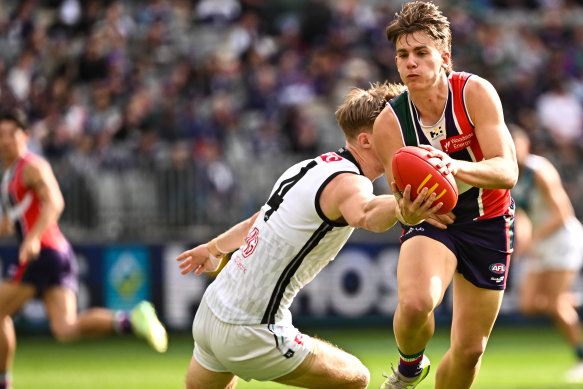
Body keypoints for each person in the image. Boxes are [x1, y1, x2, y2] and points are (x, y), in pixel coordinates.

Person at [176, 81, 449, 389]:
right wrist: (403, 207)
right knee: (356, 379)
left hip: (211, 313)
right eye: (394, 130)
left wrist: (213, 249)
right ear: (367, 140)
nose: (404, 140)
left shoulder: (310, 166)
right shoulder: (351, 182)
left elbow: (259, 219)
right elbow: (366, 213)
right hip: (252, 329)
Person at [372, 2, 518, 388]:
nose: (410, 63)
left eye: (421, 53)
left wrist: (452, 168)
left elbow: (508, 171)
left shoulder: (474, 93)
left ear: (445, 57)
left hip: (488, 220)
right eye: (403, 55)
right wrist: (412, 212)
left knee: (470, 351)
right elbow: (401, 202)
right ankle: (409, 367)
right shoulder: (391, 122)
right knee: (418, 303)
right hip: (436, 222)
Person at [0, 109, 168, 389]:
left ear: (26, 137)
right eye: (1, 135)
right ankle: (130, 319)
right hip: (58, 253)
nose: (5, 140)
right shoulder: (12, 174)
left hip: (43, 251)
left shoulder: (32, 166)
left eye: (11, 134)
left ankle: (3, 382)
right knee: (66, 329)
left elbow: (55, 202)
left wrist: (32, 238)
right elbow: (12, 220)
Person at [510, 125, 583, 383]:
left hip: (563, 239)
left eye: (516, 143)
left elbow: (562, 213)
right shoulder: (509, 176)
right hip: (541, 242)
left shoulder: (539, 170)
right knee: (528, 305)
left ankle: (581, 358)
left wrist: (533, 240)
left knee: (554, 303)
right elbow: (522, 216)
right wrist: (522, 243)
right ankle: (574, 300)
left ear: (526, 145)